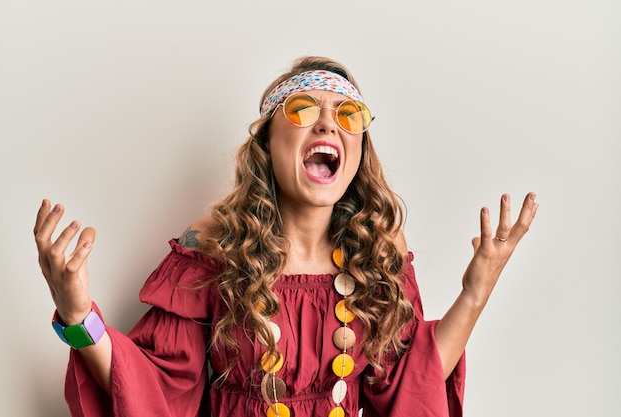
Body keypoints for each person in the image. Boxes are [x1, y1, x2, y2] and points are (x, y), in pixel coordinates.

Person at [34, 56, 538, 417]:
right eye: (302, 110)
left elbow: (409, 385)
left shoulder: (376, 259)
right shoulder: (213, 250)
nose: (327, 124)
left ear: (360, 150)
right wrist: (77, 315)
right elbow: (150, 386)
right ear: (268, 144)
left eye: (348, 115)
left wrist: (476, 294)